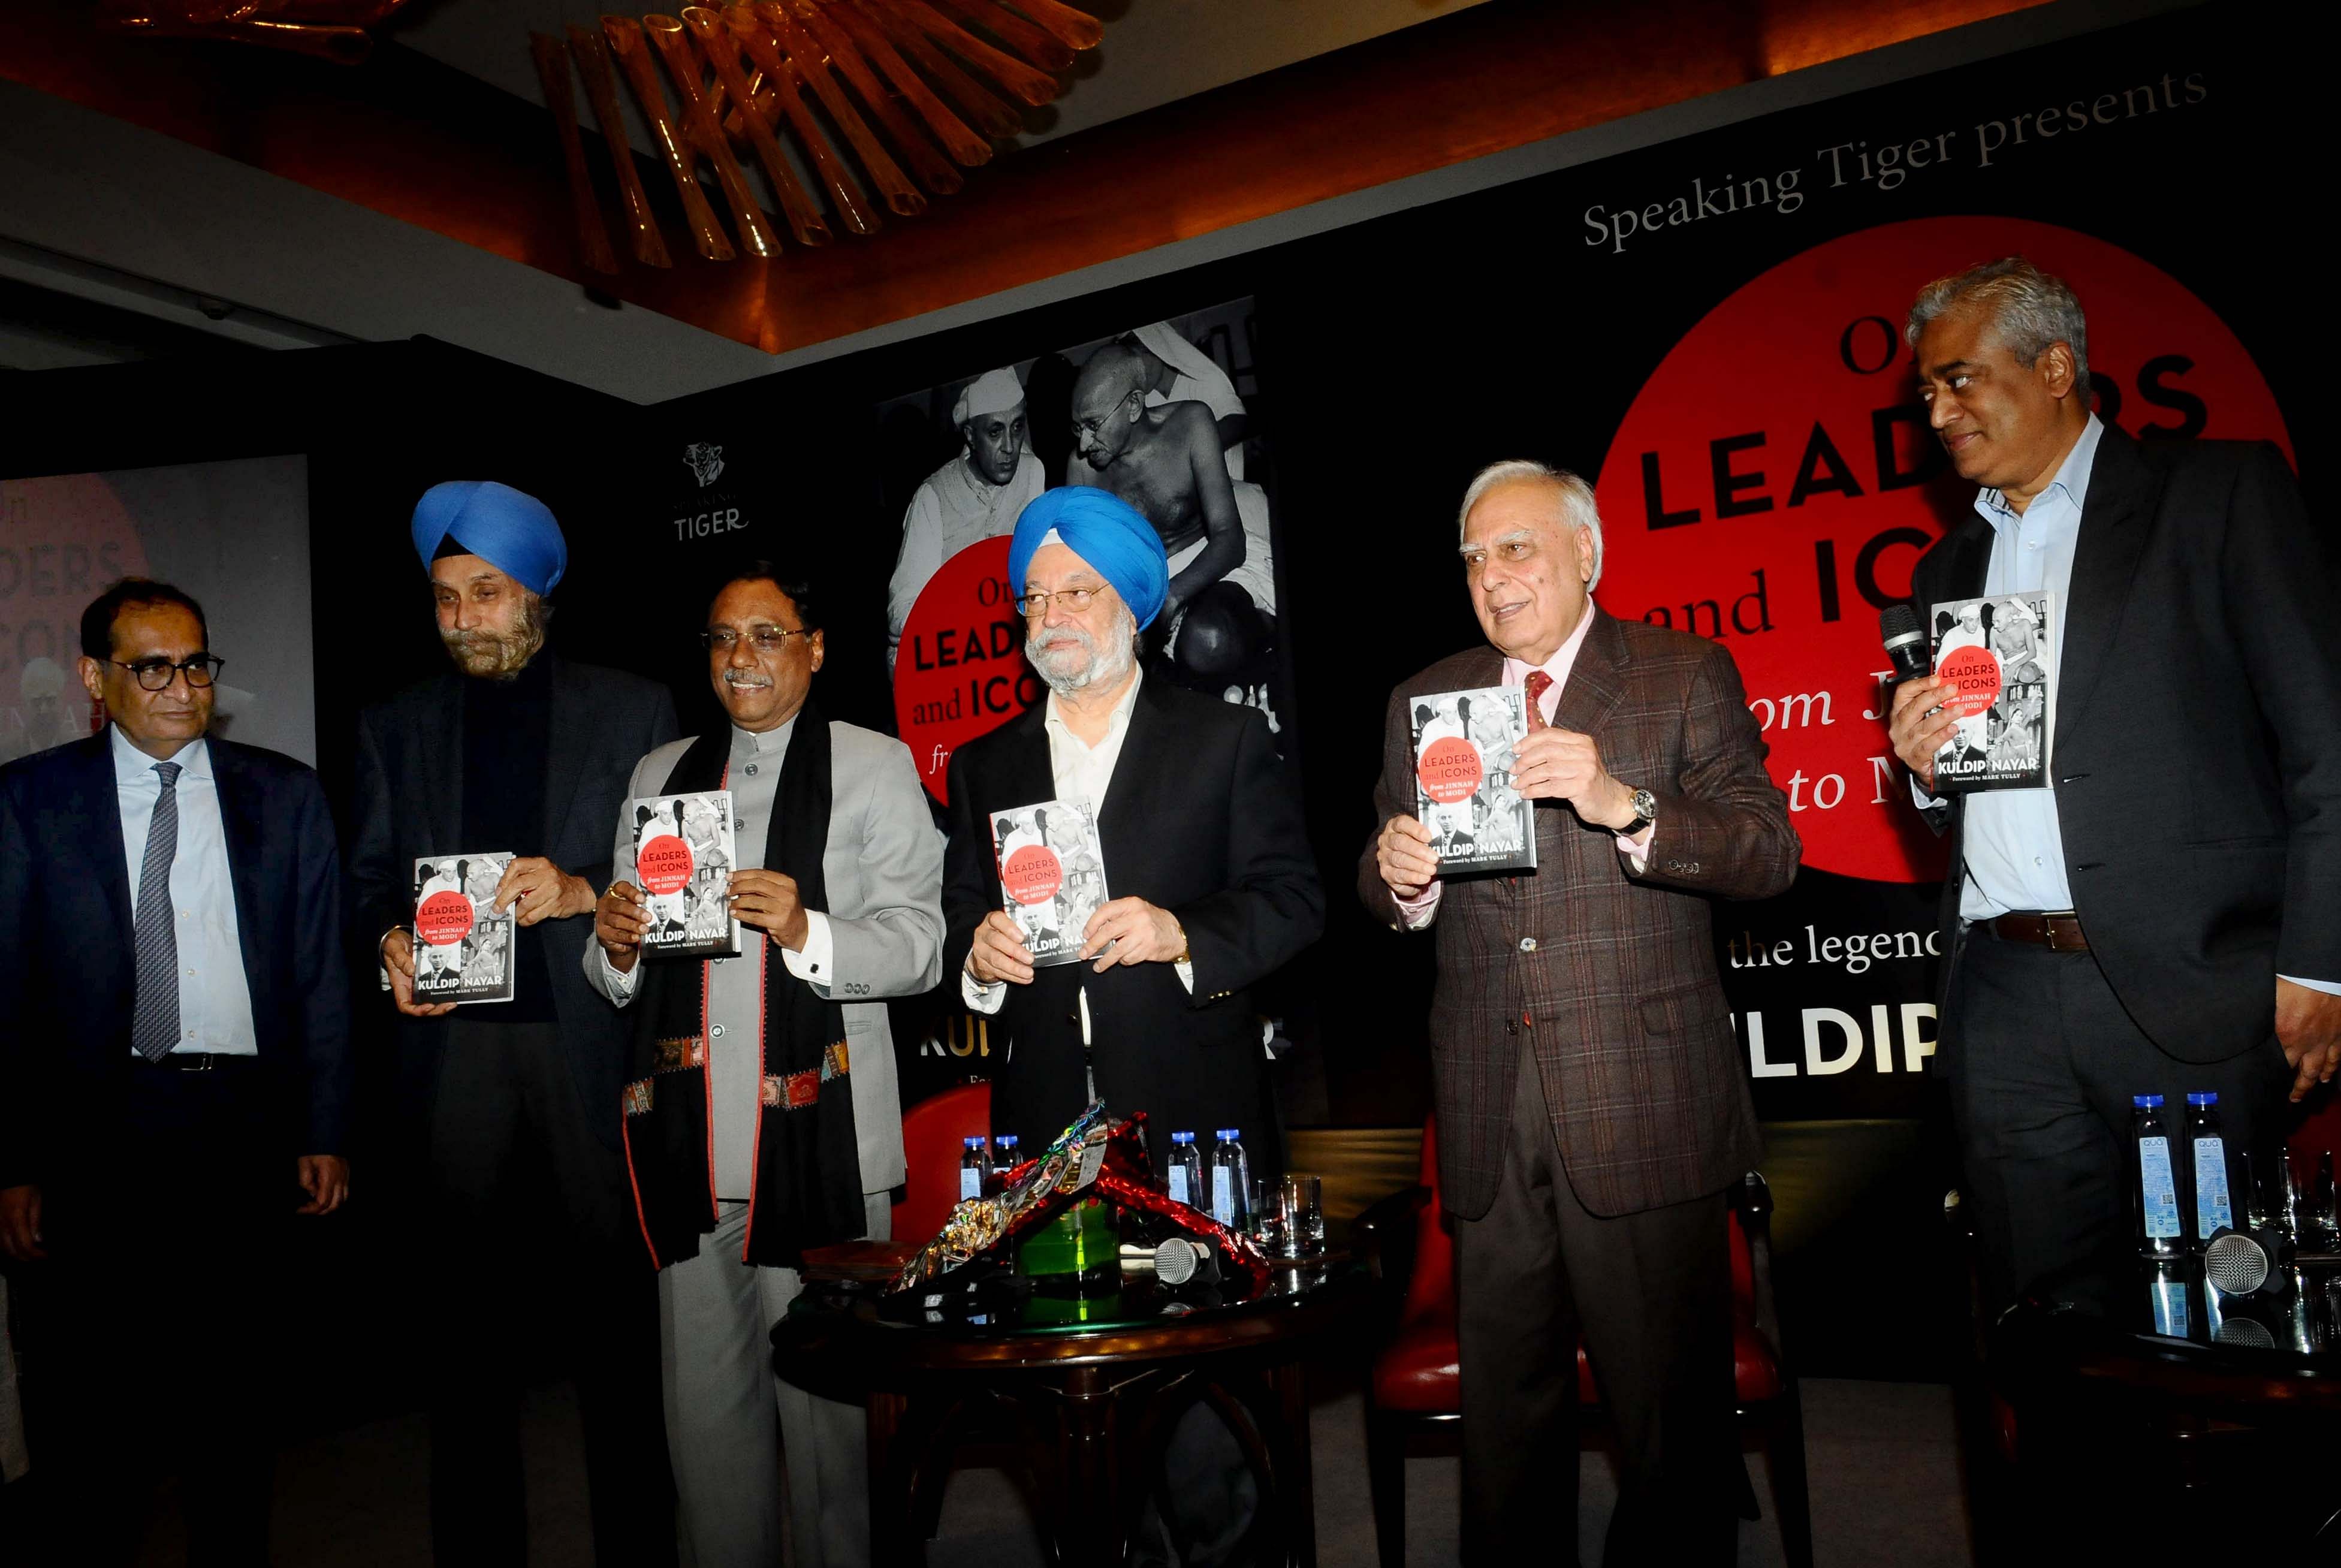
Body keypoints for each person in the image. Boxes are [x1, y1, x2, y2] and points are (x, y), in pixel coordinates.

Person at [1886, 257, 2341, 1313]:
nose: (1938, 410)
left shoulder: (2219, 496)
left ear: (2054, 367)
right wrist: (1922, 770)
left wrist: (2322, 965)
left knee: (2223, 1324)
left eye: (1960, 379)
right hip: (2001, 1005)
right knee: (2045, 1333)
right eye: (1926, 392)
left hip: (2186, 996)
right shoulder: (1944, 570)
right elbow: (1982, 786)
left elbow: (2326, 744)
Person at [1362, 462, 1797, 1564]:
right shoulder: (1426, 699)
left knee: (1669, 1429)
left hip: (1641, 1098)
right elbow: (1378, 882)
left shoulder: (1679, 672)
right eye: (1473, 557)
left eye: (1517, 548)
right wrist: (1399, 876)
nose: (1493, 577)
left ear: (1587, 553)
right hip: (1485, 1107)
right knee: (1506, 1427)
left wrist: (1626, 806)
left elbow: (1767, 852)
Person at [943, 486, 1322, 1565]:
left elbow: (1293, 902)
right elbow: (961, 913)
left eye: (1078, 590)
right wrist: (977, 954)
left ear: (1139, 606)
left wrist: (1180, 931)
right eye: (1033, 597)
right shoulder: (985, 765)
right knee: (1071, 1417)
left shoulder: (1223, 740)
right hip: (1043, 1135)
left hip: (1194, 1123)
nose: (1051, 614)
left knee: (1204, 1418)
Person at [347, 480, 678, 1566]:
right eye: (445, 600)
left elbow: (669, 876)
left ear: (536, 592)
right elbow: (365, 883)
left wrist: (582, 886)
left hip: (587, 1038)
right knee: (464, 1340)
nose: (462, 620)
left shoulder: (632, 707)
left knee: (619, 1336)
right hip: (456, 1061)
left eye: (484, 594)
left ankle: (641, 1545)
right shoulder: (393, 724)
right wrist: (392, 939)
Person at [588, 564, 943, 1568]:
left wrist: (806, 927)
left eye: (766, 635)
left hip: (821, 1143)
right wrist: (613, 943)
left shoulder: (873, 766)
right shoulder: (659, 774)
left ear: (816, 647)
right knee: (706, 1429)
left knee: (836, 1432)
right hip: (690, 1147)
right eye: (720, 638)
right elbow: (613, 958)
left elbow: (921, 944)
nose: (739, 658)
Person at [0, 578, 354, 1563]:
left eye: (195, 664)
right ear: (94, 677)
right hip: (95, 1138)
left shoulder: (284, 795)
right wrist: (15, 1157)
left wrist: (323, 1127)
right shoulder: (30, 801)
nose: (179, 685)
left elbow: (321, 970)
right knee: (94, 1421)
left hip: (237, 1129)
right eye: (151, 665)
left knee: (231, 1413)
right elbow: (7, 993)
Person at [1066, 345, 1278, 682]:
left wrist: (1172, 597)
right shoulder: (1082, 468)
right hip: (1143, 588)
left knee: (1207, 639)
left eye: (1093, 424)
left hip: (1214, 566)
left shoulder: (1191, 423)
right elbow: (1089, 569)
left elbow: (1230, 541)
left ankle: (1265, 632)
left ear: (1133, 405)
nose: (1083, 443)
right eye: (1078, 428)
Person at [886, 364, 1046, 671]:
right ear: (971, 436)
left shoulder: (1032, 473)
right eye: (995, 432)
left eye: (1017, 427)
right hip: (957, 658)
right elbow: (900, 614)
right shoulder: (933, 497)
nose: (1010, 448)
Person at [1121, 319, 1249, 480]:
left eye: (1137, 364)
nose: (1133, 375)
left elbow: (1239, 422)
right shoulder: (1143, 400)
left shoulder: (1203, 379)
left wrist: (1186, 451)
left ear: (1157, 351)